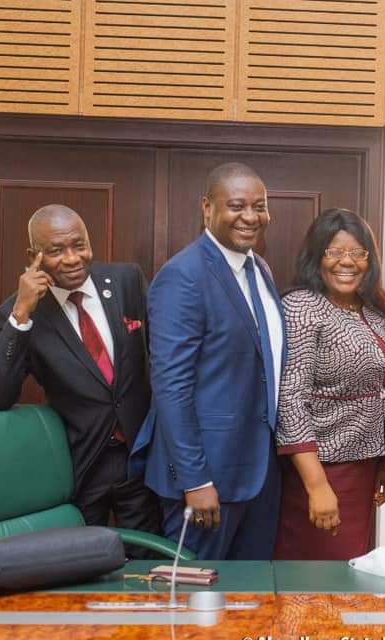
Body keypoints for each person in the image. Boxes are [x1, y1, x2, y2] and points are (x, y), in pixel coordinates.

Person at [0, 204, 161, 550]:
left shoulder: (126, 281)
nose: (73, 258)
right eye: (56, 250)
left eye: (80, 245)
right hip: (82, 465)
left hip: (142, 457)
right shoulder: (18, 312)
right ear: (33, 257)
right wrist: (22, 313)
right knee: (81, 563)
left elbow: (163, 353)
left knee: (147, 562)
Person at [129, 163, 285, 560]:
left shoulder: (260, 269)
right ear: (207, 208)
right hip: (206, 479)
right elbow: (171, 386)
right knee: (198, 592)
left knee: (250, 591)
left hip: (259, 472)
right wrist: (195, 481)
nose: (250, 216)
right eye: (236, 205)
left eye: (259, 206)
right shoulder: (183, 276)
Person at [274, 209, 385, 560]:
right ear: (317, 256)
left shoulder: (371, 308)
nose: (347, 261)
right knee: (317, 575)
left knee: (349, 572)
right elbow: (291, 399)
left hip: (363, 469)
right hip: (320, 467)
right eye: (334, 251)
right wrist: (317, 486)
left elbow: (384, 391)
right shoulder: (302, 305)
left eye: (357, 252)